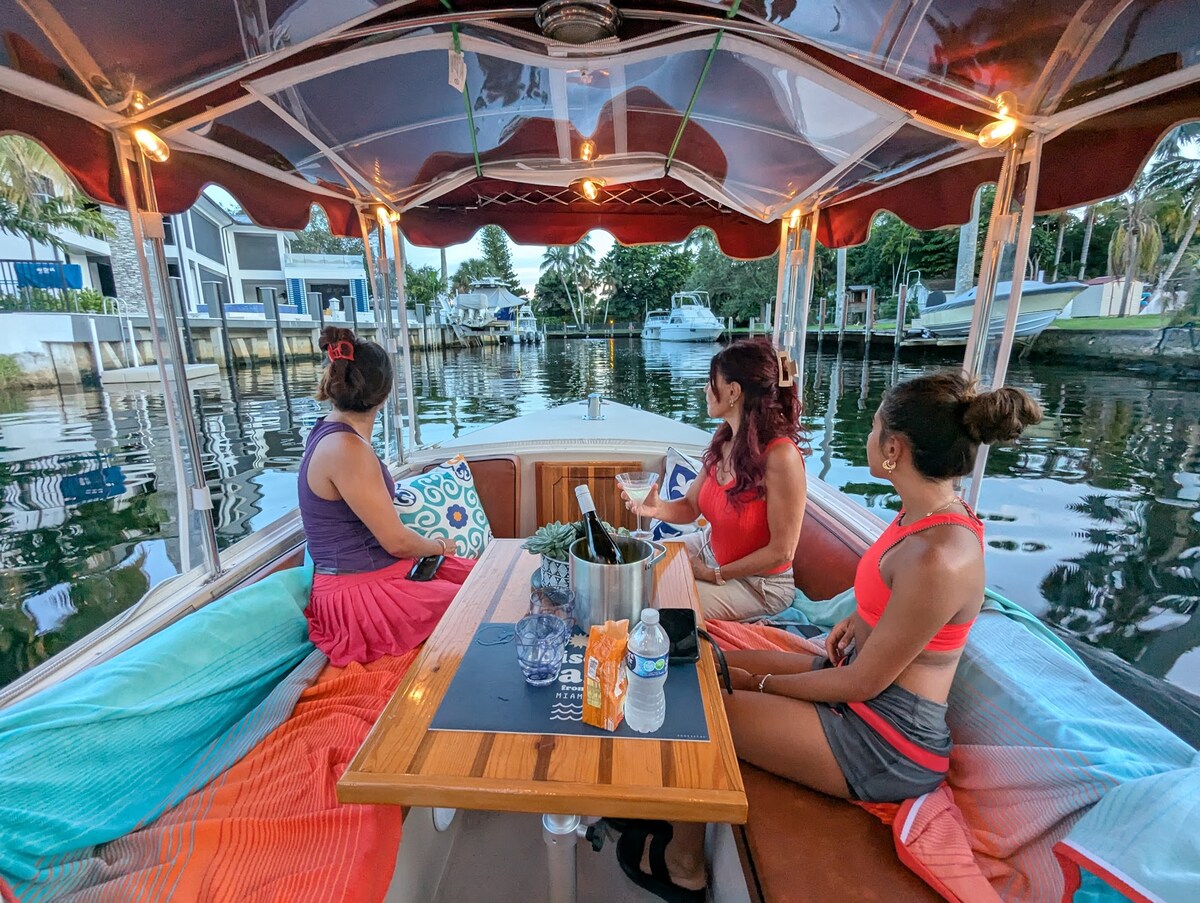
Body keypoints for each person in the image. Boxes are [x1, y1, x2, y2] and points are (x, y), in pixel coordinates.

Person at [615, 371, 1043, 901]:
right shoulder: (921, 517)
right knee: (711, 662)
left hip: (888, 739)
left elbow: (862, 683)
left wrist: (767, 682)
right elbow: (898, 608)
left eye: (872, 427)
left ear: (894, 448)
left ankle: (684, 864)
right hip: (863, 690)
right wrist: (859, 620)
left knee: (700, 710)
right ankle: (671, 808)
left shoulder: (940, 555)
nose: (866, 436)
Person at [300, 326, 474, 666]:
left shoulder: (329, 431)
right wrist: (441, 546)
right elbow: (397, 543)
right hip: (356, 596)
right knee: (480, 604)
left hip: (371, 577)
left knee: (481, 579)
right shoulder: (347, 448)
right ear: (385, 393)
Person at [623, 339, 807, 621]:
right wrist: (655, 507)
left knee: (665, 607)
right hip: (712, 553)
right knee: (640, 566)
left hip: (760, 585)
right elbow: (690, 506)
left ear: (733, 391)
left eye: (712, 382)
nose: (706, 390)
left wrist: (714, 574)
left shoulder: (781, 457)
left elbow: (782, 552)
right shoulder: (725, 441)